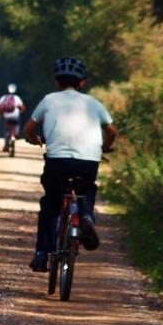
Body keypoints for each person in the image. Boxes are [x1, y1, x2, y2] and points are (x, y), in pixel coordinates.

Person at [23, 57, 117, 273]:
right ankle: (85, 216)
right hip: (88, 163)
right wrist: (104, 147)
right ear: (82, 83)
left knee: (50, 205)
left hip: (57, 162)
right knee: (86, 190)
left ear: (56, 81)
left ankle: (41, 254)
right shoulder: (93, 103)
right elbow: (111, 131)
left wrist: (34, 139)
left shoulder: (49, 100)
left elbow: (29, 128)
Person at [0, 83, 25, 147]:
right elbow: (22, 108)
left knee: (6, 129)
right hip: (15, 116)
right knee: (16, 126)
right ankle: (15, 135)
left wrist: (1, 114)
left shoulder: (4, 97)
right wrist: (20, 113)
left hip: (6, 116)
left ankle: (6, 144)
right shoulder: (17, 98)